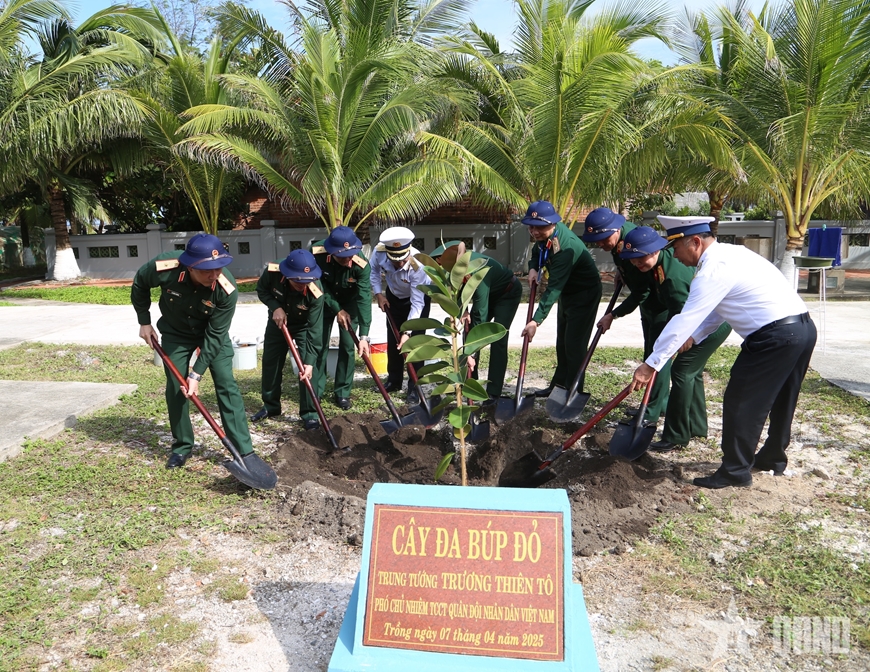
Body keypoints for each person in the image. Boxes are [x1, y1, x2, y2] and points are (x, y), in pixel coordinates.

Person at [629, 216, 816, 489]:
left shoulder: (711, 270)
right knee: (783, 398)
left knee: (741, 401)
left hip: (774, 337)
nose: (674, 255)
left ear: (695, 242)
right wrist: (695, 336)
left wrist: (651, 364)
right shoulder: (732, 254)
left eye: (676, 248)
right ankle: (772, 458)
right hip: (802, 329)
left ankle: (735, 471)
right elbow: (717, 311)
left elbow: (686, 318)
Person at [131, 233, 256, 469]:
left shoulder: (226, 289)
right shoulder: (165, 268)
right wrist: (144, 321)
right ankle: (182, 446)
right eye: (207, 270)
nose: (214, 275)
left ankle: (244, 450)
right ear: (189, 266)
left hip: (210, 334)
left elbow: (217, 335)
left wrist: (196, 374)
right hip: (176, 333)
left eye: (219, 268)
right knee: (176, 387)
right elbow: (140, 283)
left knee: (226, 382)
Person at [618, 224, 732, 451]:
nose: (636, 264)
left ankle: (677, 435)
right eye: (632, 260)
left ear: (653, 251)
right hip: (702, 320)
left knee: (682, 371)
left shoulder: (673, 276)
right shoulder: (660, 264)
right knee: (692, 371)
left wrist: (674, 345)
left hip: (710, 325)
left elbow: (685, 317)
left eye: (640, 258)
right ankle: (697, 427)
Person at [581, 207, 670, 418]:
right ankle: (660, 403)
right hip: (650, 304)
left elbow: (642, 292)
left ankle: (652, 409)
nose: (601, 245)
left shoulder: (632, 241)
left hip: (660, 304)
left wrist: (614, 314)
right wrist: (623, 274)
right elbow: (631, 271)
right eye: (597, 241)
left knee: (656, 357)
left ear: (615, 230)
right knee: (651, 352)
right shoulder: (619, 239)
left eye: (603, 239)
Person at [521, 200, 602, 397]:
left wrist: (535, 321)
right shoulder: (548, 236)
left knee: (574, 345)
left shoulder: (564, 249)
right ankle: (558, 386)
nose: (534, 232)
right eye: (531, 227)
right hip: (568, 291)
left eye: (539, 228)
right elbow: (536, 250)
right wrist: (533, 267)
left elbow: (554, 288)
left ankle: (573, 392)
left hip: (584, 294)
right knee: (562, 343)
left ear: (552, 224)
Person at [429, 241, 521, 400]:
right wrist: (462, 311)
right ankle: (470, 382)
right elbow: (453, 293)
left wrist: (471, 351)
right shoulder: (451, 268)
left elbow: (480, 314)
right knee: (468, 328)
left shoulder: (478, 271)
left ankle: (494, 391)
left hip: (507, 294)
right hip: (488, 294)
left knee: (497, 336)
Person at [252, 249, 324, 430]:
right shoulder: (273, 272)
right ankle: (271, 406)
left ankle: (310, 413)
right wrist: (275, 307)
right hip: (277, 322)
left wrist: (309, 362)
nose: (303, 285)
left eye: (307, 281)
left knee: (308, 368)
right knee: (271, 362)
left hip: (303, 326)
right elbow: (262, 290)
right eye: (298, 281)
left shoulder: (316, 291)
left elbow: (315, 329)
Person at [310, 226, 372, 410]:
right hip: (323, 302)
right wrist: (337, 309)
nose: (348, 259)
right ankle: (316, 391)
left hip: (350, 304)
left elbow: (364, 298)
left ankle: (343, 393)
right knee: (319, 345)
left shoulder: (361, 264)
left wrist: (364, 336)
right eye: (342, 256)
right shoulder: (316, 255)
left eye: (350, 255)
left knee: (347, 346)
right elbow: (318, 286)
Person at [369, 226, 431, 403]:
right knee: (394, 340)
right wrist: (379, 294)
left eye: (403, 260)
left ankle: (415, 387)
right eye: (395, 261)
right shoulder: (380, 252)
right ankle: (394, 381)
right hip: (393, 297)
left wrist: (408, 332)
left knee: (415, 344)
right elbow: (373, 271)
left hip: (416, 299)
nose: (399, 264)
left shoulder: (418, 266)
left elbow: (417, 303)